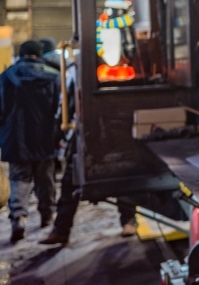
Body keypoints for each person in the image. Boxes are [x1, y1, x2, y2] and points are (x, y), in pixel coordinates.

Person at [38, 43, 137, 247]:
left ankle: (128, 220)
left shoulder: (111, 72)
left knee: (122, 175)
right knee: (70, 180)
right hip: (84, 130)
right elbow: (68, 104)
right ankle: (61, 230)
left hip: (112, 129)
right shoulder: (75, 72)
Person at [0, 41, 60, 244]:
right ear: (39, 55)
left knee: (19, 178)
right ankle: (47, 215)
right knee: (46, 179)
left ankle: (19, 217)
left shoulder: (6, 77)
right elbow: (58, 109)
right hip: (44, 137)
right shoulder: (53, 76)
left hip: (15, 138)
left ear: (21, 54)